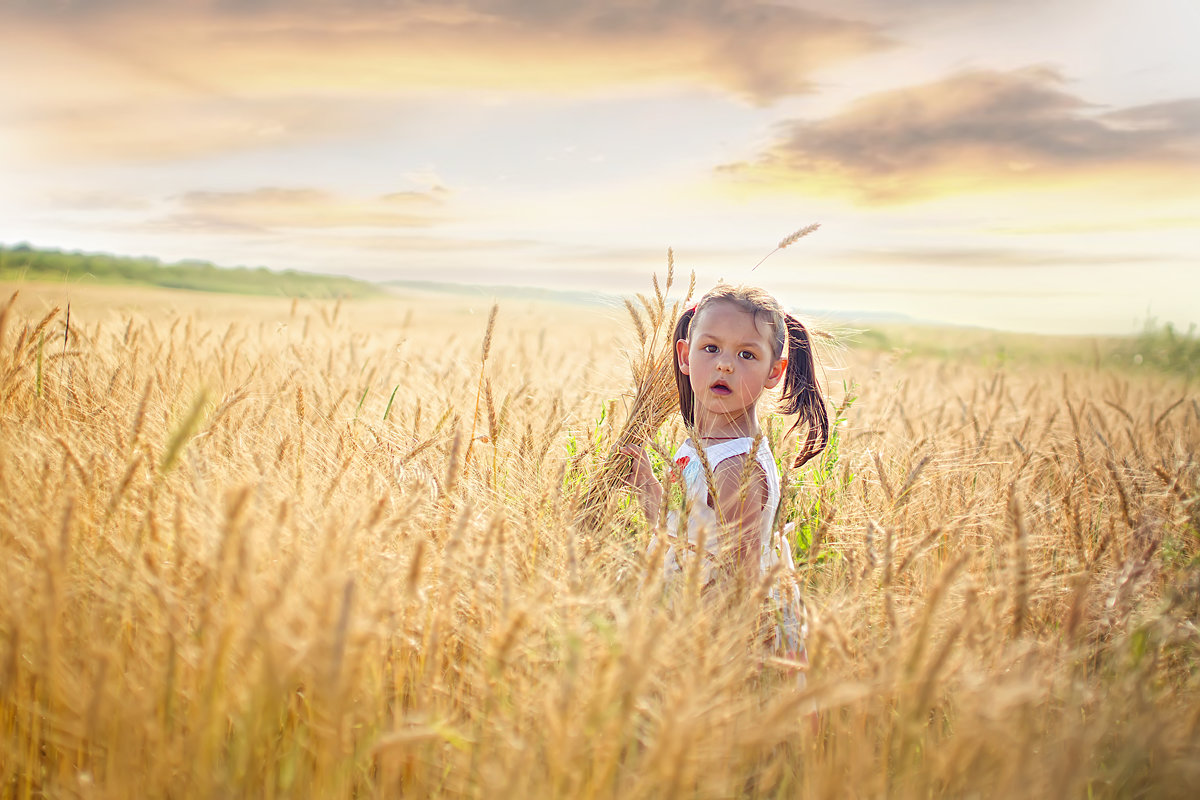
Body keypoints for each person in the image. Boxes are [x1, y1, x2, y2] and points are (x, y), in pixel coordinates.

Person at [621, 283, 830, 683]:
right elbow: (695, 536)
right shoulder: (706, 447)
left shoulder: (736, 469)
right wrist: (654, 499)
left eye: (746, 354)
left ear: (775, 371)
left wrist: (690, 649)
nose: (725, 365)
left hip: (724, 649)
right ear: (685, 355)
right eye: (711, 348)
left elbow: (739, 587)